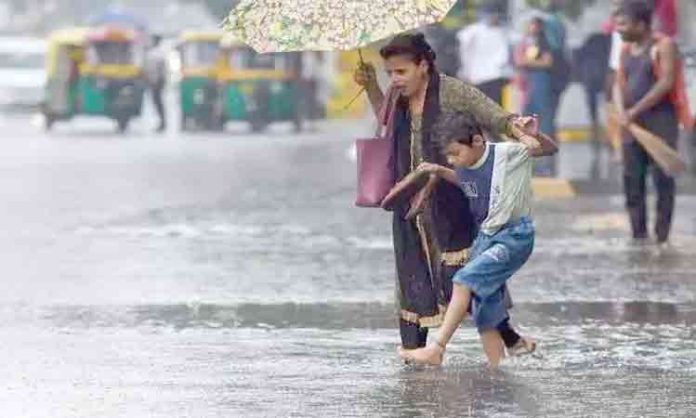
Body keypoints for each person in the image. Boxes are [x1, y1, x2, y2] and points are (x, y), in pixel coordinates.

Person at [353, 33, 539, 360]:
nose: (394, 80)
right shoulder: (397, 98)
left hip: (451, 199)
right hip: (409, 200)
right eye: (389, 73)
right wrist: (371, 87)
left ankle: (505, 344)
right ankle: (416, 353)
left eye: (400, 72)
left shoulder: (452, 91)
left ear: (422, 65)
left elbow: (491, 113)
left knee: (468, 276)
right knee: (411, 275)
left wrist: (518, 126)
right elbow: (386, 122)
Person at [398, 112, 558, 367]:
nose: (452, 160)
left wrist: (533, 135)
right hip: (486, 238)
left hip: (513, 236)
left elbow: (548, 149)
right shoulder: (464, 165)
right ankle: (498, 367)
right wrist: (439, 170)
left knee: (463, 280)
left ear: (476, 141)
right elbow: (464, 181)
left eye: (455, 153)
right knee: (484, 305)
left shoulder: (506, 154)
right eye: (448, 156)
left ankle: (437, 348)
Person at [613, 0, 679, 247]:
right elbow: (619, 83)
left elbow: (666, 82)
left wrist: (634, 111)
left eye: (624, 23)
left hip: (660, 121)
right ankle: (638, 235)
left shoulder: (663, 45)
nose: (618, 28)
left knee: (663, 179)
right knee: (632, 179)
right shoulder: (626, 50)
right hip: (631, 125)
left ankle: (662, 236)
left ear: (641, 25)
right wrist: (622, 112)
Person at [516, 17, 555, 176]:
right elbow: (519, 61)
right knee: (526, 118)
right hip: (527, 84)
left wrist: (528, 62)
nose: (533, 28)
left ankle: (544, 157)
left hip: (540, 82)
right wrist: (527, 62)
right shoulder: (523, 42)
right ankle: (529, 153)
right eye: (531, 25)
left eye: (536, 26)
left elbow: (547, 63)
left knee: (542, 118)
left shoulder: (544, 43)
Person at [145, 34, 167, 133]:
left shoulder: (157, 54)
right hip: (155, 81)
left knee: (158, 103)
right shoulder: (157, 53)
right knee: (157, 103)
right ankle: (162, 122)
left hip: (156, 82)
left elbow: (161, 70)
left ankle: (162, 123)